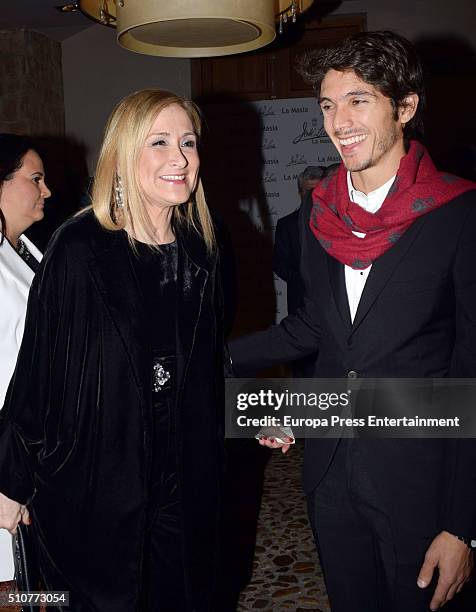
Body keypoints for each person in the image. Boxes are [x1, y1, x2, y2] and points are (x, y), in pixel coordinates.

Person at [230, 31, 476, 612]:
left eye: (358, 100)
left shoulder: (459, 215)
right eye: (327, 104)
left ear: (406, 107)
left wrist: (463, 526)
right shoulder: (321, 215)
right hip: (331, 473)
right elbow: (323, 330)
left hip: (421, 482)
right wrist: (222, 357)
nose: (338, 121)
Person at [0, 89, 224, 611]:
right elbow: (38, 371)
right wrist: (10, 481)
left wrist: (254, 411)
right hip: (97, 480)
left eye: (189, 142)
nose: (180, 158)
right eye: (160, 142)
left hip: (185, 476)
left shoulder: (204, 245)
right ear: (123, 154)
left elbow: (211, 360)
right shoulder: (81, 248)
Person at [0, 133, 50, 585]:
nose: (46, 190)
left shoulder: (29, 249)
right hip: (5, 462)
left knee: (38, 587)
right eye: (35, 179)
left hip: (33, 449)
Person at [273, 166, 329, 376]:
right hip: (300, 306)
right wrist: (308, 281)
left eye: (317, 191)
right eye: (307, 191)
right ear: (299, 193)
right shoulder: (286, 225)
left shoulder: (339, 224)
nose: (312, 197)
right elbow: (280, 264)